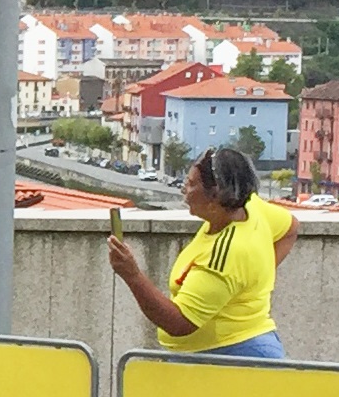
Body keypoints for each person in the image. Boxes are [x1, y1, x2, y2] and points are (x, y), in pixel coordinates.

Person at [106, 147, 287, 359]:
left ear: (215, 197)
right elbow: (291, 227)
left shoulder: (226, 254)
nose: (184, 188)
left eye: (192, 184)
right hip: (232, 349)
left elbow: (179, 323)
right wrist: (252, 278)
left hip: (232, 357)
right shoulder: (250, 207)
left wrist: (132, 274)